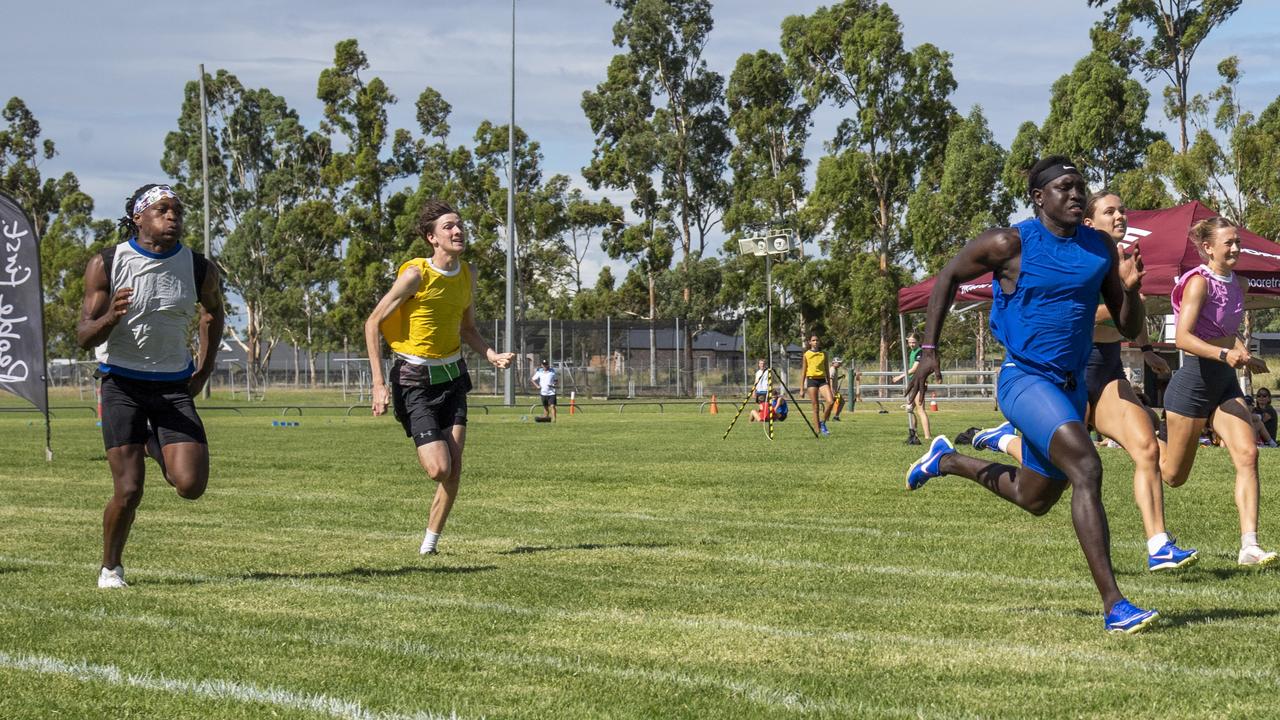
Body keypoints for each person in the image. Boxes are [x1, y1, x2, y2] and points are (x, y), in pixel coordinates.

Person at [905, 157, 1158, 633]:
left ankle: (947, 461)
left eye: (1081, 187)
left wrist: (1131, 290)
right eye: (1065, 187)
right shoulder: (1009, 243)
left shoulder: (1100, 247)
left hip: (1070, 387)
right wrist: (929, 349)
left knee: (1033, 497)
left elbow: (1127, 325)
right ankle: (1116, 606)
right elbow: (946, 278)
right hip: (1023, 379)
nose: (1077, 194)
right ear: (1039, 198)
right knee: (1087, 466)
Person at [972, 191, 1197, 572]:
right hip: (1064, 375)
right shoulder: (1076, 258)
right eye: (1111, 211)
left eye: (1123, 209)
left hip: (1107, 371)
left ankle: (1158, 543)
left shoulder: (1117, 258)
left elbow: (1129, 319)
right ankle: (1004, 440)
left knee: (1146, 448)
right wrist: (1118, 299)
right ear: (1089, 222)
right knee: (1051, 479)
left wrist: (1143, 346)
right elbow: (1072, 315)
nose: (1121, 215)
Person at [77, 184, 224, 589]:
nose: (172, 216)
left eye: (177, 210)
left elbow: (214, 314)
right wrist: (110, 319)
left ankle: (148, 440)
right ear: (138, 218)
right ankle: (111, 567)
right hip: (121, 383)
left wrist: (204, 369)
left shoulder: (198, 267)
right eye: (162, 210)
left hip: (173, 386)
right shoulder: (107, 263)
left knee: (190, 486)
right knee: (129, 489)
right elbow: (84, 335)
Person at [364, 200, 514, 555]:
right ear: (432, 238)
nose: (457, 231)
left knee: (454, 468)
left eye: (459, 225)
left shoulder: (468, 274)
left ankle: (430, 545)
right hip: (413, 380)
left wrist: (490, 354)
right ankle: (428, 535)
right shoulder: (416, 275)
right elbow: (372, 322)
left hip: (453, 377)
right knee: (438, 469)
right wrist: (378, 384)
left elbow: (468, 328)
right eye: (448, 226)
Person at [1157, 216, 1277, 567]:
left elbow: (1226, 329)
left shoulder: (1237, 282)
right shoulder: (1198, 284)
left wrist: (1246, 356)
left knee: (1248, 454)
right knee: (1173, 476)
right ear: (1209, 248)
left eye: (1238, 242)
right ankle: (1146, 447)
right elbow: (1182, 338)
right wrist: (1227, 354)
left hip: (1224, 383)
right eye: (1229, 243)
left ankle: (1250, 547)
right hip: (1192, 382)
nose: (1237, 248)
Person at [892, 333, 931, 444]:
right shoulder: (912, 352)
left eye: (913, 342)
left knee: (920, 410)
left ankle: (928, 436)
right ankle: (914, 433)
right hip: (913, 383)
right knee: (909, 409)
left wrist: (900, 376)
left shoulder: (920, 352)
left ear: (918, 341)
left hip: (919, 383)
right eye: (909, 342)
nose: (911, 344)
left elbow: (914, 369)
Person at [801, 334, 834, 435]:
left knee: (831, 401)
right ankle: (817, 430)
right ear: (810, 342)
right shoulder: (806, 354)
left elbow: (827, 371)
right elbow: (804, 371)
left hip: (822, 380)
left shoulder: (824, 354)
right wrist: (801, 388)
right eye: (813, 340)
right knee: (815, 406)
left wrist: (830, 384)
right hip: (811, 380)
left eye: (817, 340)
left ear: (819, 342)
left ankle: (823, 422)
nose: (815, 342)